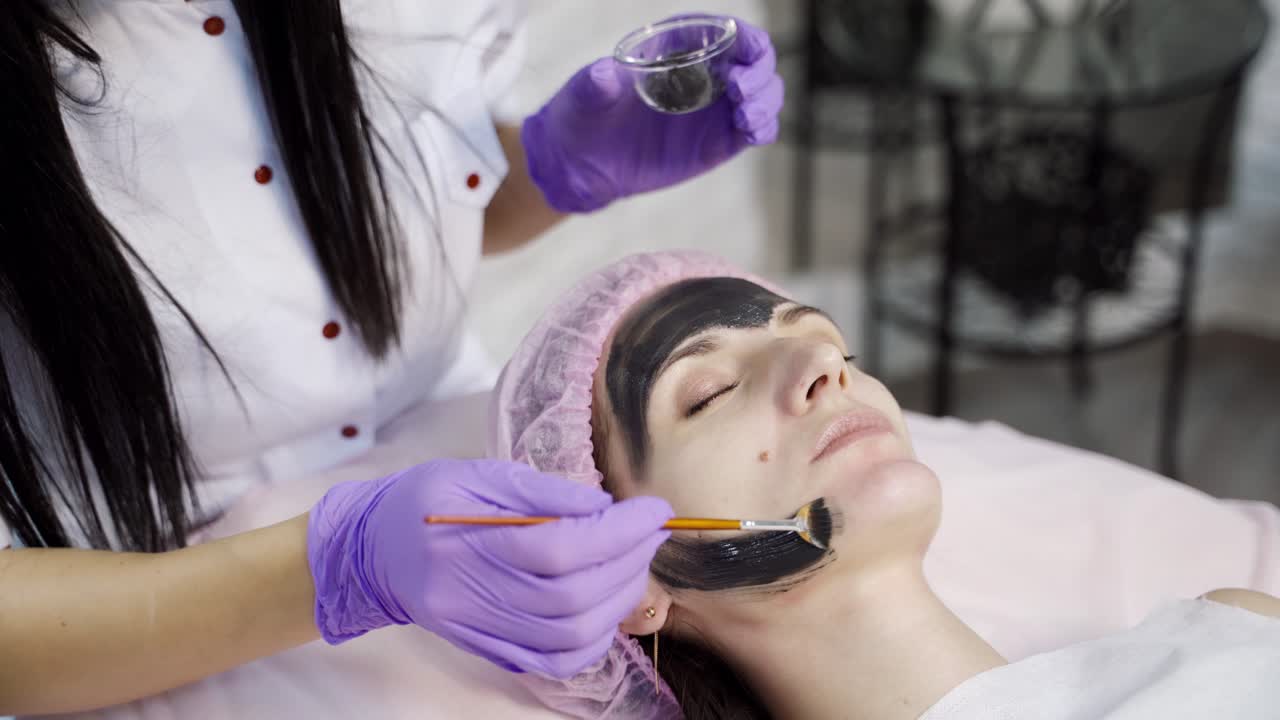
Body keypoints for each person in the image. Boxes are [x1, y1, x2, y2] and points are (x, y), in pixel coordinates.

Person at [0, 3, 783, 715]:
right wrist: (339, 567)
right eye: (705, 393)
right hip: (137, 630)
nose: (823, 373)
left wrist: (549, 167)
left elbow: (376, 242)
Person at [489, 250, 1280, 719]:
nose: (823, 368)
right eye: (708, 393)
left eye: (832, 345)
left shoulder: (1233, 630)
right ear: (627, 581)